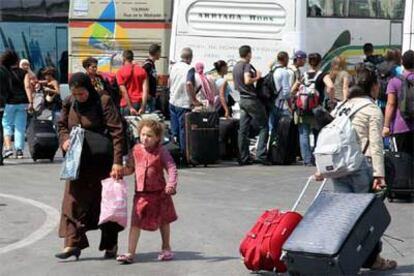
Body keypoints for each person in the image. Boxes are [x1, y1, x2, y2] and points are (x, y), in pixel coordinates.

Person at [316, 64, 397, 271]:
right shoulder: (371, 109)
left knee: (344, 217)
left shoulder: (342, 106)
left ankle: (339, 257)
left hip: (339, 167)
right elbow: (376, 145)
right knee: (366, 217)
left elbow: (329, 136)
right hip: (362, 167)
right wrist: (379, 175)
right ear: (373, 86)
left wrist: (322, 167)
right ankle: (374, 260)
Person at [56, 72, 124, 260]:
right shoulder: (69, 102)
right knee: (71, 201)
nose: (79, 97)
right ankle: (72, 243)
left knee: (107, 203)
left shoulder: (103, 100)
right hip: (77, 162)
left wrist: (118, 162)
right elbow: (61, 125)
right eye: (75, 94)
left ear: (89, 88)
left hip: (102, 162)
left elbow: (117, 131)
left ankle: (111, 244)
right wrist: (64, 140)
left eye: (82, 93)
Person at [116, 119, 178, 264]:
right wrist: (120, 172)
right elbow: (130, 168)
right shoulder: (136, 150)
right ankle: (130, 253)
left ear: (157, 138)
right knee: (136, 222)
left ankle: (166, 247)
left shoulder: (161, 151)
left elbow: (171, 167)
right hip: (141, 195)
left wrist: (171, 183)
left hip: (160, 194)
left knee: (164, 221)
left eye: (149, 135)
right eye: (143, 134)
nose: (145, 138)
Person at [292, 53, 334, 166]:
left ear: (308, 62)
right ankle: (316, 158)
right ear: (320, 62)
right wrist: (331, 99)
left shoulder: (303, 75)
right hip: (316, 109)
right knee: (318, 133)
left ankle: (306, 160)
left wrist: (296, 97)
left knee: (304, 133)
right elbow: (330, 86)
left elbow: (293, 89)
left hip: (303, 108)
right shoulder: (323, 75)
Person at [232, 45, 269, 165]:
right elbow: (247, 80)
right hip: (251, 99)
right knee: (264, 126)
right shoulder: (246, 65)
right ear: (248, 54)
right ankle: (261, 155)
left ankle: (243, 157)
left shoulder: (236, 66)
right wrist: (257, 77)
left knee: (243, 129)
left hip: (242, 99)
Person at [1, 50, 33, 159]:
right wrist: (31, 102)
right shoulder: (24, 73)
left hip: (9, 102)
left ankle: (8, 148)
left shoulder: (4, 71)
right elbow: (27, 87)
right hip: (23, 102)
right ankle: (19, 151)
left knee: (7, 124)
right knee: (20, 126)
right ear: (17, 61)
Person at [169, 47, 200, 154]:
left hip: (172, 101)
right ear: (189, 58)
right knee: (184, 131)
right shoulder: (189, 69)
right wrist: (194, 99)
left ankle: (174, 153)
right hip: (183, 103)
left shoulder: (174, 67)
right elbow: (189, 83)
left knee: (174, 130)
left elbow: (169, 82)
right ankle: (184, 154)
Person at [383, 50, 414, 156]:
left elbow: (391, 104)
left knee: (402, 161)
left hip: (400, 127)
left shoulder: (394, 81)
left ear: (402, 62)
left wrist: (386, 125)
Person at [116, 50, 149, 116]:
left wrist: (130, 107)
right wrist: (143, 107)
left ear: (124, 58)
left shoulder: (120, 72)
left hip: (126, 104)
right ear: (132, 58)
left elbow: (123, 91)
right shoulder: (142, 71)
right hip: (140, 103)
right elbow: (146, 90)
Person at [269, 51, 291, 139]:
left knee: (272, 128)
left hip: (271, 102)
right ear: (285, 59)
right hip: (281, 104)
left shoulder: (272, 70)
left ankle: (270, 149)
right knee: (283, 129)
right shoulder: (284, 72)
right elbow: (286, 91)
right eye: (288, 59)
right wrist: (289, 105)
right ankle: (279, 149)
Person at [143, 44, 161, 113]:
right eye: (159, 52)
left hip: (152, 96)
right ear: (156, 52)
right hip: (148, 97)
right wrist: (147, 94)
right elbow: (143, 80)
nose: (160, 54)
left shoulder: (152, 64)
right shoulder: (147, 65)